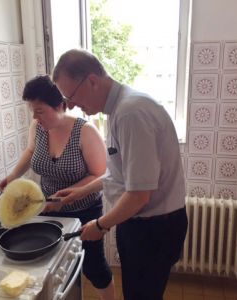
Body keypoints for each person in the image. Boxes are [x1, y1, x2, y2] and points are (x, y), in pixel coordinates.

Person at [51, 49, 188, 300]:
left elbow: (138, 195)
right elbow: (121, 177)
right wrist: (77, 193)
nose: (69, 105)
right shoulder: (119, 110)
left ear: (91, 81)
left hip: (153, 230)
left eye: (69, 96)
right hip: (146, 226)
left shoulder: (130, 113)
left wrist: (100, 225)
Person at [0, 75, 115, 300]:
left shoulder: (85, 131)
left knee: (93, 266)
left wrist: (68, 197)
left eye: (40, 111)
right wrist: (12, 176)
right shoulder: (38, 127)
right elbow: (31, 151)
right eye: (33, 111)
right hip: (48, 209)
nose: (35, 117)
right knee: (54, 265)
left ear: (60, 105)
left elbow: (99, 174)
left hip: (84, 212)